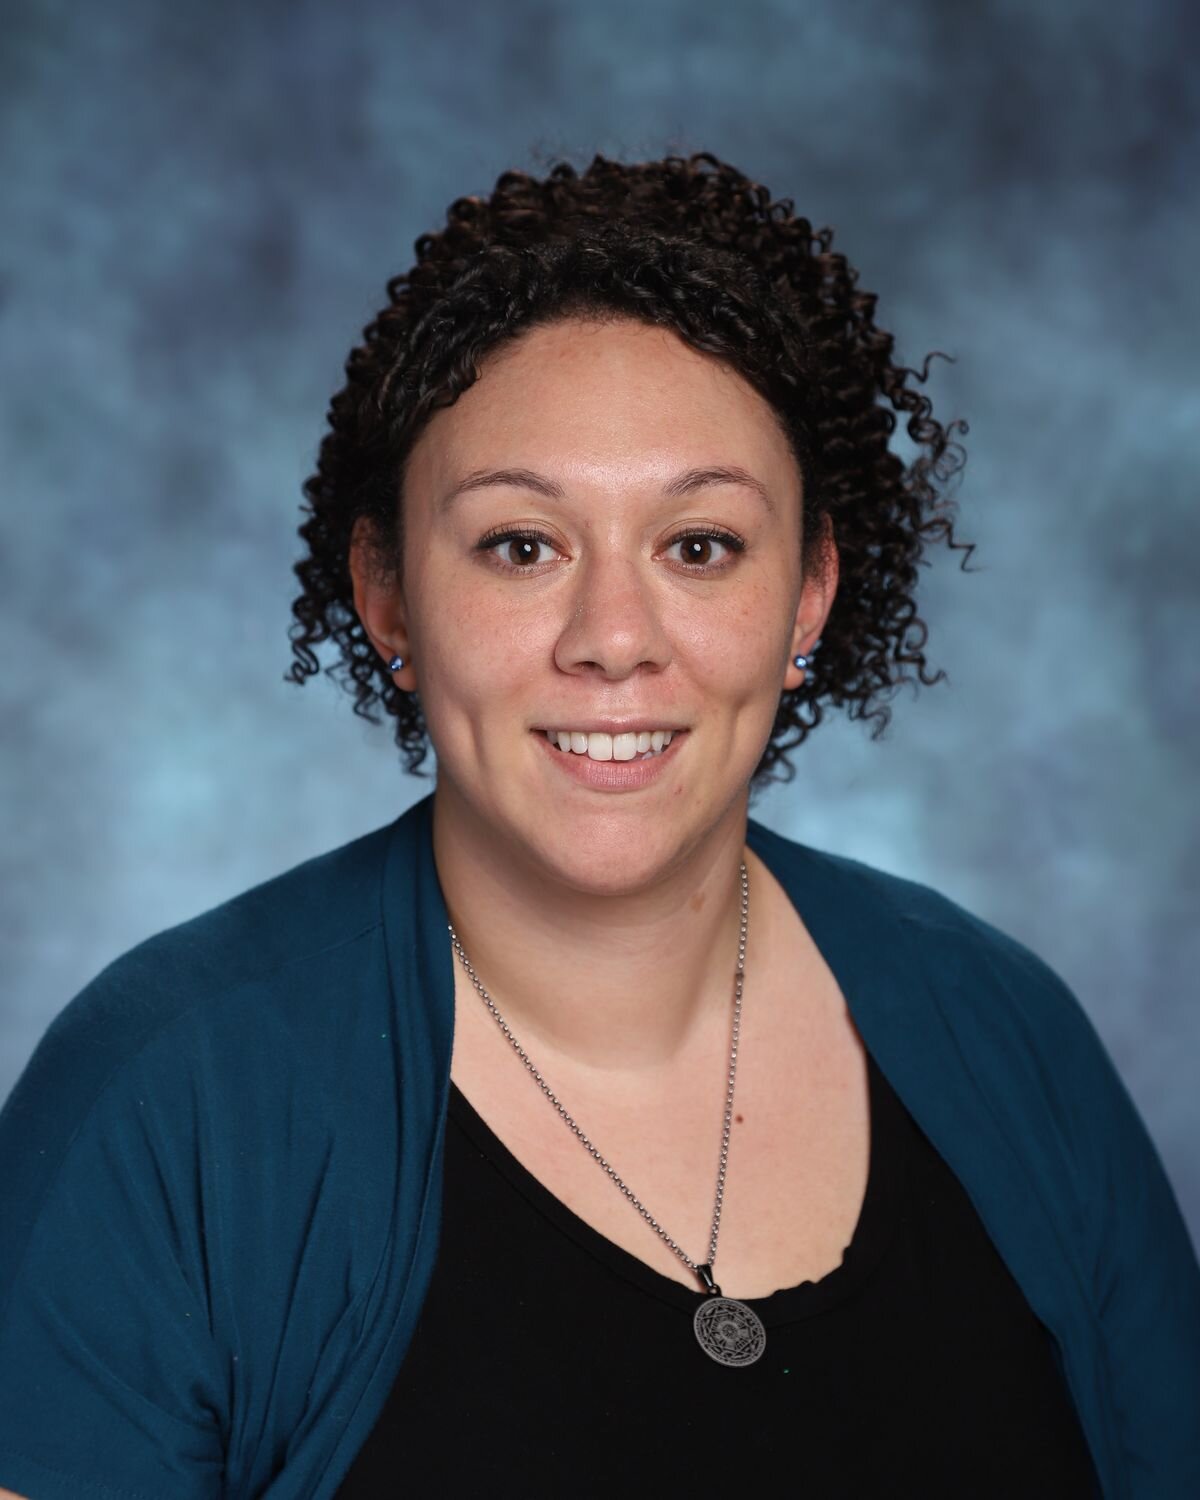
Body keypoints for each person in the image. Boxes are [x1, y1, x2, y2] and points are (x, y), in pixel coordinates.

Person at [1, 150, 1197, 1500]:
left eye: (700, 546)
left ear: (807, 599)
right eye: (521, 545)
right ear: (388, 596)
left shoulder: (1010, 1036)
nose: (613, 642)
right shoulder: (168, 1103)